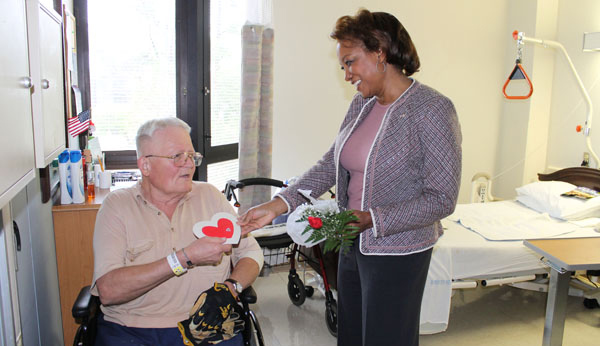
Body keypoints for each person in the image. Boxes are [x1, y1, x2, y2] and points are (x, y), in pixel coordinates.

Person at [239, 9, 461, 346]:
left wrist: (372, 219)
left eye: (351, 62)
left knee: (386, 338)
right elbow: (332, 162)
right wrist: (278, 204)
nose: (346, 75)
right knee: (352, 334)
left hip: (398, 250)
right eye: (343, 66)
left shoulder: (431, 109)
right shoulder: (362, 105)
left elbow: (442, 198)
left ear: (380, 53)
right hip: (350, 240)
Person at [91, 117, 263, 345]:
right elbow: (109, 291)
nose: (189, 164)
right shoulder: (117, 206)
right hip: (132, 328)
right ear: (145, 165)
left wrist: (231, 288)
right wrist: (184, 258)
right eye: (177, 156)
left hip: (207, 324)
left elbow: (252, 254)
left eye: (192, 156)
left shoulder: (210, 196)